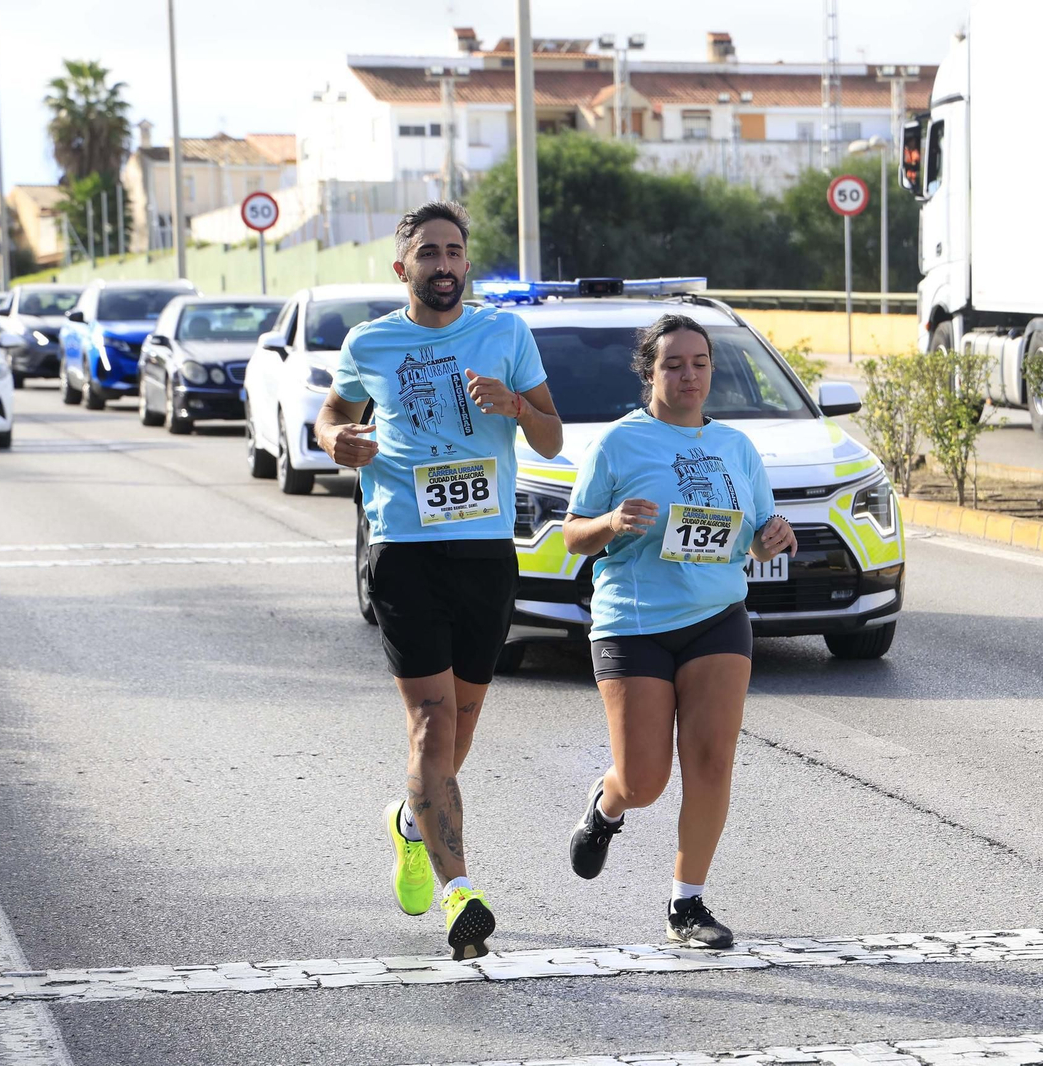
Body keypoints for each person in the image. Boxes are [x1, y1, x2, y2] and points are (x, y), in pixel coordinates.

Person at [314, 201, 563, 961]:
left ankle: (410, 821)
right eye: (429, 252)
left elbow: (551, 437)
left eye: (454, 251)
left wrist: (515, 406)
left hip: (485, 550)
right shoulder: (369, 342)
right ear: (404, 268)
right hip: (405, 548)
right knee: (430, 721)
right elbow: (331, 415)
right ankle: (462, 893)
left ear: (467, 263)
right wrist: (338, 440)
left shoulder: (505, 334)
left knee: (460, 725)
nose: (444, 264)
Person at [562, 313, 797, 949]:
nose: (688, 375)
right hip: (634, 623)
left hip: (718, 617)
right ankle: (607, 806)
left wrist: (775, 536)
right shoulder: (618, 444)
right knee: (645, 779)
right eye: (673, 364)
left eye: (699, 363)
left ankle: (686, 904)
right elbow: (573, 535)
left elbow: (758, 538)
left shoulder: (736, 448)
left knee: (712, 761)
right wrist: (611, 523)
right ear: (650, 373)